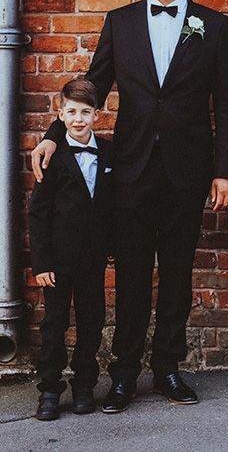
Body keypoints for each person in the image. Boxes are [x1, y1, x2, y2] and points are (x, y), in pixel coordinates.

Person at [31, 0, 228, 412]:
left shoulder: (213, 24)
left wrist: (225, 170)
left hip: (188, 173)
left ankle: (168, 368)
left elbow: (227, 104)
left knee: (177, 275)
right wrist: (52, 133)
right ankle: (123, 374)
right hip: (131, 171)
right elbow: (92, 86)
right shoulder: (120, 22)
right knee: (130, 275)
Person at [29, 79, 113, 420]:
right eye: (72, 112)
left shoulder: (109, 152)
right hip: (58, 262)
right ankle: (49, 389)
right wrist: (41, 262)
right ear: (60, 113)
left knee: (92, 321)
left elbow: (113, 205)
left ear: (97, 114)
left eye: (85, 112)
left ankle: (84, 386)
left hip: (93, 259)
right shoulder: (51, 155)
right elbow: (38, 212)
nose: (79, 119)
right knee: (54, 324)